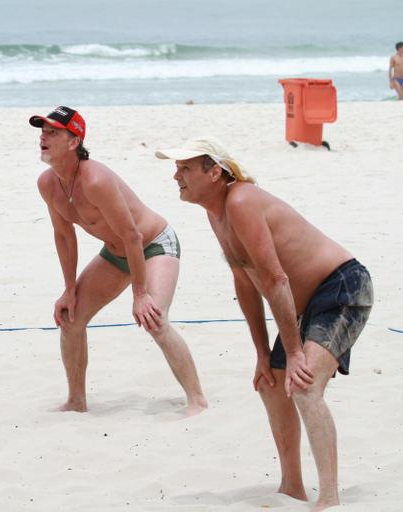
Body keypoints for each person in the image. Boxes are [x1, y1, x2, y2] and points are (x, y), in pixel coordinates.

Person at [156, 137, 373, 511]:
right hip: (307, 302)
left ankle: (331, 498)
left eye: (185, 168)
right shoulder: (217, 212)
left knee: (304, 386)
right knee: (270, 384)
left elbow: (276, 280)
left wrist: (293, 352)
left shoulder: (240, 200)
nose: (176, 175)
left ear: (214, 172)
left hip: (342, 286)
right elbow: (246, 283)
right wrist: (262, 353)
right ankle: (292, 487)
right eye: (176, 168)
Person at [30, 106, 207, 415]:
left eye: (53, 132)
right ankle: (76, 401)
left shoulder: (95, 180)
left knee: (155, 319)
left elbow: (134, 236)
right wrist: (69, 289)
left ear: (74, 142)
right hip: (117, 253)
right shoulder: (48, 184)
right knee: (70, 319)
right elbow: (64, 237)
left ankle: (197, 399)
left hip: (153, 245)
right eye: (42, 132)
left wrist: (140, 294)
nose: (44, 137)